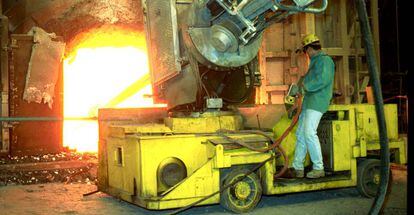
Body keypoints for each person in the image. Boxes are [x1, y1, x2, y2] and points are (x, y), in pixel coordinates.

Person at [293, 34, 335, 179]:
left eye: (306, 51)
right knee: (300, 134)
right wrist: (299, 87)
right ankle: (297, 168)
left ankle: (318, 168)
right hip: (309, 103)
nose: (306, 54)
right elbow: (307, 80)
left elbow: (323, 79)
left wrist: (305, 87)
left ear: (310, 48)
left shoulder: (325, 61)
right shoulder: (315, 62)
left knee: (309, 133)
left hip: (317, 102)